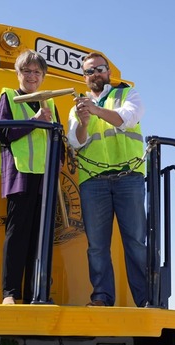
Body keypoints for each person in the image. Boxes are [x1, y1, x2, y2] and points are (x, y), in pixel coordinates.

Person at [67, 52, 147, 307]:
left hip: (129, 178)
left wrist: (96, 110)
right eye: (89, 72)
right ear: (84, 77)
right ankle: (101, 296)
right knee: (97, 245)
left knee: (135, 241)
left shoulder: (128, 94)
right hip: (93, 181)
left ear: (108, 71)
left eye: (99, 69)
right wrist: (83, 122)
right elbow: (75, 141)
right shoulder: (77, 107)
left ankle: (146, 298)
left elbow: (127, 119)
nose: (95, 75)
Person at [0, 50, 61, 305]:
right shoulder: (8, 97)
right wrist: (34, 121)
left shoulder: (50, 103)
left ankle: (37, 293)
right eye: (27, 71)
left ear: (43, 76)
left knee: (41, 237)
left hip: (45, 176)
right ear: (18, 73)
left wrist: (60, 160)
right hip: (19, 174)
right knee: (17, 233)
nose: (32, 76)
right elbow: (3, 133)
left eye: (37, 72)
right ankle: (10, 293)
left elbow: (57, 137)